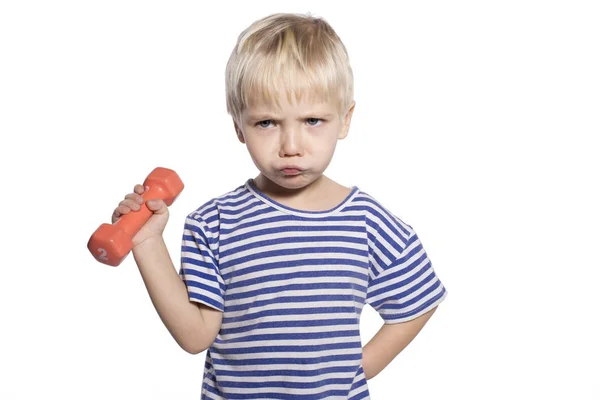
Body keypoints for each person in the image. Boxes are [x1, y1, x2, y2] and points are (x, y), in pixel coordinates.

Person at [112, 12, 448, 399]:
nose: (291, 145)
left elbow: (419, 301)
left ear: (345, 119)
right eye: (267, 123)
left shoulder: (367, 222)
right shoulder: (213, 223)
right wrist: (147, 244)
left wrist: (358, 368)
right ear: (239, 126)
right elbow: (194, 336)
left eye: (312, 120)